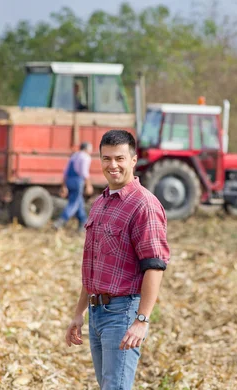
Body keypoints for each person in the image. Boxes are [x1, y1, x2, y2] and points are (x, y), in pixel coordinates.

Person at [64, 129, 170, 389]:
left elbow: (154, 266)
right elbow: (93, 267)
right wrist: (79, 313)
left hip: (122, 314)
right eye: (107, 158)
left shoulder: (144, 205)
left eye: (120, 158)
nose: (113, 165)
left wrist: (141, 320)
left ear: (133, 160)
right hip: (97, 313)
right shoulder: (101, 203)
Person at [54, 142, 94, 231]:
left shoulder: (74, 156)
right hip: (77, 181)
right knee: (74, 202)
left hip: (69, 180)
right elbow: (84, 172)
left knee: (79, 202)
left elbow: (65, 171)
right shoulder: (85, 157)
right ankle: (61, 221)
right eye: (90, 149)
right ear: (87, 149)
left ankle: (83, 223)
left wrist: (64, 185)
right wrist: (88, 185)